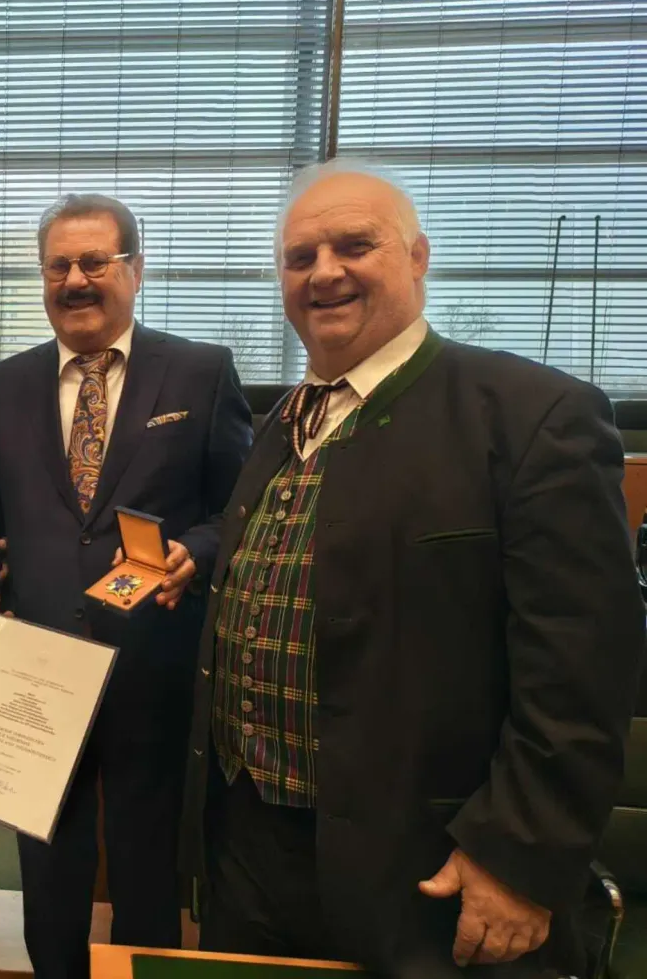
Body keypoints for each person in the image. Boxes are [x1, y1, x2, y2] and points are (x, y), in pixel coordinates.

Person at [182, 159, 645, 977]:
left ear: (418, 257)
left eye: (354, 245)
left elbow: (583, 668)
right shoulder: (284, 420)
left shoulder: (531, 416)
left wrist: (517, 859)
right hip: (252, 849)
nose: (324, 272)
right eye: (299, 257)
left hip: (432, 870)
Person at [0, 194, 253, 979]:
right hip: (35, 670)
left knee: (149, 871)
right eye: (59, 265)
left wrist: (196, 549)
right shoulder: (2, 384)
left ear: (135, 270)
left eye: (95, 262)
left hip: (153, 668)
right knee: (48, 876)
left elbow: (238, 510)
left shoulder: (199, 371)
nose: (76, 280)